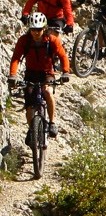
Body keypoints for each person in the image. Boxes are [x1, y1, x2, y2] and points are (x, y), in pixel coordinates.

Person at [7, 12, 71, 141]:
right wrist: (13, 75)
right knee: (29, 104)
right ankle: (32, 130)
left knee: (47, 91)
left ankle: (52, 123)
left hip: (47, 73)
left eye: (39, 29)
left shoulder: (52, 40)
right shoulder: (24, 41)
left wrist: (65, 72)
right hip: (30, 73)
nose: (36, 33)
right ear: (29, 29)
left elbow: (63, 56)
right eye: (33, 30)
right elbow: (15, 59)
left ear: (44, 28)